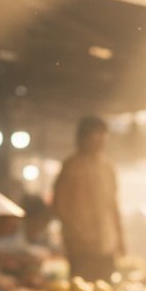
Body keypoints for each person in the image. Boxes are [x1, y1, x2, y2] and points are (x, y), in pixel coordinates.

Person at [50, 115, 125, 281]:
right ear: (83, 138)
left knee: (105, 289)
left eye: (102, 139)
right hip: (80, 247)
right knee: (82, 287)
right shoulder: (71, 166)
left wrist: (120, 239)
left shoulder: (108, 167)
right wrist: (77, 232)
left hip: (106, 243)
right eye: (95, 138)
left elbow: (113, 205)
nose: (100, 143)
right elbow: (60, 206)